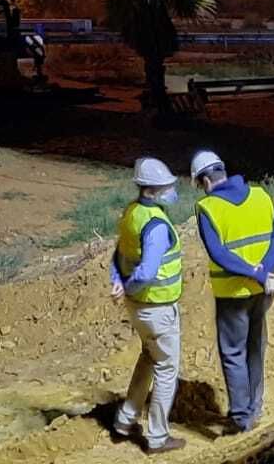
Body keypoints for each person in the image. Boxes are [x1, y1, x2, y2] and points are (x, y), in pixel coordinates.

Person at [190, 150, 274, 435]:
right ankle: (255, 407)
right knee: (255, 345)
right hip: (263, 290)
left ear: (205, 181)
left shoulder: (208, 208)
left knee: (234, 353)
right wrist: (265, 270)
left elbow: (218, 253)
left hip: (232, 294)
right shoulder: (261, 196)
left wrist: (254, 272)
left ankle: (241, 418)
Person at [110, 157, 186, 454]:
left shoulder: (132, 213)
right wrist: (127, 286)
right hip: (157, 307)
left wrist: (118, 283)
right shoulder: (155, 225)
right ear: (152, 190)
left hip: (137, 307)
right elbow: (147, 271)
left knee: (148, 357)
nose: (172, 190)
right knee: (166, 369)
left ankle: (124, 420)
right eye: (167, 186)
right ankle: (157, 437)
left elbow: (119, 255)